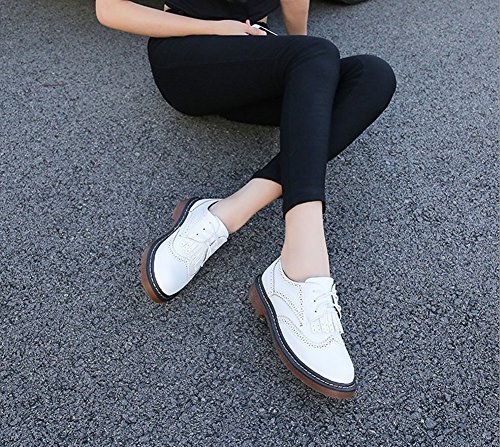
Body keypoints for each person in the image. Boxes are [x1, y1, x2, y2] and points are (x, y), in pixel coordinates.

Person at [96, 0, 396, 398]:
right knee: (317, 54)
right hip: (187, 53)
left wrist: (303, 66)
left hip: (252, 51)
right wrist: (219, 29)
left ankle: (227, 212)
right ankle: (301, 269)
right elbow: (109, 9)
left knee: (373, 75)